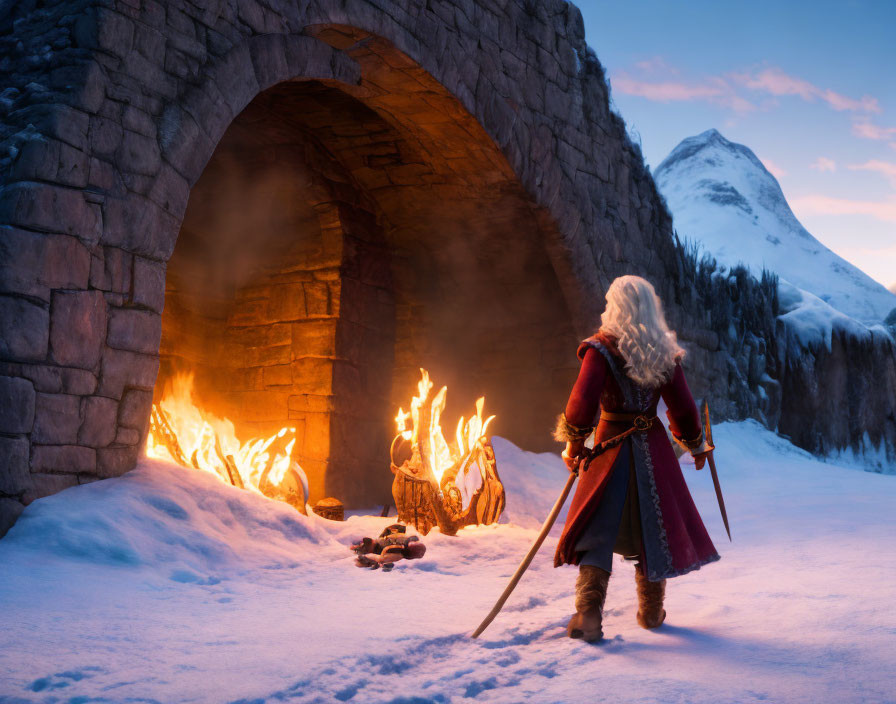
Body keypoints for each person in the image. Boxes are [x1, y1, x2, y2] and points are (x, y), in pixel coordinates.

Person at [553, 275, 719, 642]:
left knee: (598, 528)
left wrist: (574, 445)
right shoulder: (663, 350)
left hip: (609, 449)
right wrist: (694, 444)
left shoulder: (600, 350)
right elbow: (684, 409)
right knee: (652, 528)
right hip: (653, 452)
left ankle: (588, 614)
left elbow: (581, 405)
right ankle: (651, 611)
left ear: (614, 306)